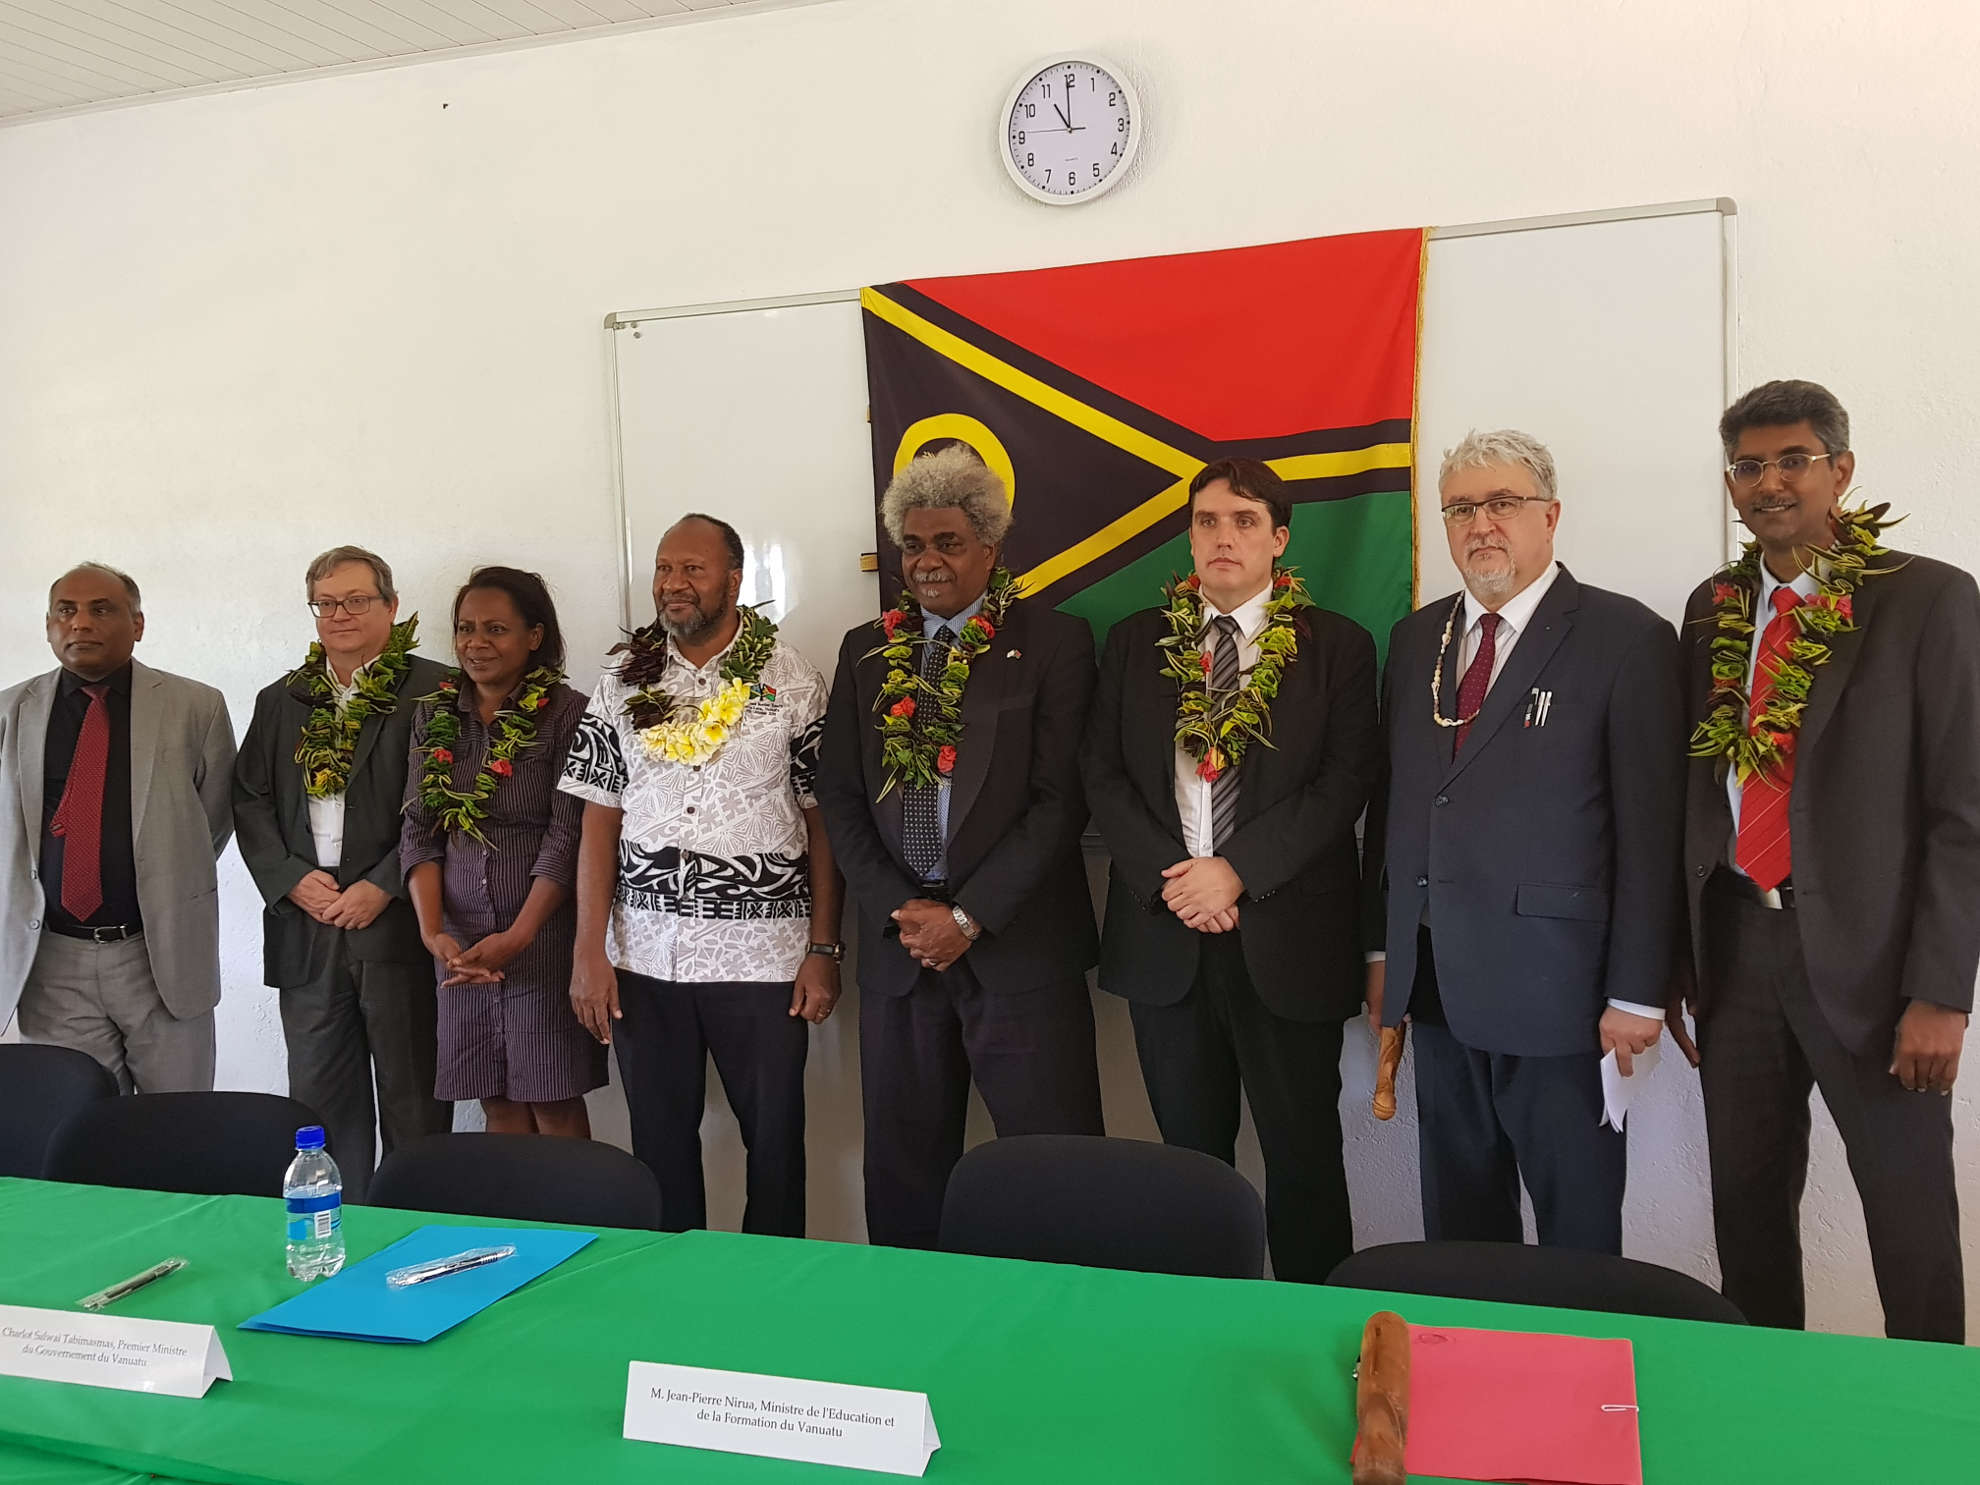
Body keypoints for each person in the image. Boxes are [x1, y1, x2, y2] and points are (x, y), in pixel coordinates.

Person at [1668, 380, 1980, 1342]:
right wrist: (1682, 963)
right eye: (1749, 466)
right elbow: (1691, 791)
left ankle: (1934, 1431)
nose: (1770, 482)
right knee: (1748, 1211)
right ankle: (1770, 1413)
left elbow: (1963, 810)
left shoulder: (1927, 598)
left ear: (1840, 470)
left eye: (1792, 459)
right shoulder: (1712, 607)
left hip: (1878, 966)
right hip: (1737, 947)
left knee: (1909, 1214)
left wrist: (1943, 991)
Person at [1369, 429, 1684, 1255]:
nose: (1483, 524)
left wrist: (1641, 991)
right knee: (1461, 1231)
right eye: (1463, 508)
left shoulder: (1627, 639)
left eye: (1503, 503)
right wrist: (1384, 954)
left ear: (1549, 514)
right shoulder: (1415, 641)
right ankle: (1473, 1374)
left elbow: (1652, 833)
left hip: (1564, 996)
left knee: (1576, 1235)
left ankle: (1577, 1386)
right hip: (1437, 987)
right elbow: (1401, 806)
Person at [1083, 458, 1380, 1282]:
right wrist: (1181, 877)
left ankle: (1318, 1333)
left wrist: (1236, 871)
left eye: (1245, 520)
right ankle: (1201, 1335)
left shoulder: (1340, 647)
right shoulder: (1135, 642)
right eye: (1208, 520)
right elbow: (1100, 774)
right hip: (1163, 935)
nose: (1224, 537)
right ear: (1189, 535)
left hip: (1285, 938)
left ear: (1279, 538)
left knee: (1304, 1160)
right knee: (1189, 1166)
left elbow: (1344, 783)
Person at [817, 444, 1104, 1251]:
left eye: (947, 542)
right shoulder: (864, 650)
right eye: (913, 545)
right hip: (901, 952)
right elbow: (839, 795)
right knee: (905, 1177)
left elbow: (1060, 800)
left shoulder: (1055, 642)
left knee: (1053, 1175)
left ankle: (1055, 1340)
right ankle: (911, 1340)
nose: (928, 561)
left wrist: (968, 916)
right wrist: (902, 907)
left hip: (1018, 948)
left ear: (991, 546)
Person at [560, 514, 839, 1237]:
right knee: (657, 1151)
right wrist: (590, 949)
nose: (673, 583)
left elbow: (824, 824)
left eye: (693, 568)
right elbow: (597, 818)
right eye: (663, 568)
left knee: (774, 1149)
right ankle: (670, 1307)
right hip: (646, 955)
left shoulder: (792, 676)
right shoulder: (623, 677)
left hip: (765, 961)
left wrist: (825, 948)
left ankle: (770, 1304)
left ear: (735, 580)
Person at [234, 545, 453, 1201]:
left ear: (390, 605)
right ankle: (339, 1248)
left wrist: (384, 883)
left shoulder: (437, 690)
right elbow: (248, 798)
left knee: (415, 1110)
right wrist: (288, 877)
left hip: (398, 932)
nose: (341, 614)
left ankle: (417, 1242)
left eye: (357, 599)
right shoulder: (282, 699)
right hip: (308, 931)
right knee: (321, 1118)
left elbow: (446, 802)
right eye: (327, 602)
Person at [0, 563, 235, 1092]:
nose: (80, 623)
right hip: (52, 960)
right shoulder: (12, 711)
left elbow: (211, 823)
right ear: (48, 625)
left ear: (139, 623)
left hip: (159, 953)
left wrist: (161, 885)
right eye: (66, 611)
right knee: (72, 1126)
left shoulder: (196, 707)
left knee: (176, 1128)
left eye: (101, 609)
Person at [400, 568, 599, 1137]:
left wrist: (519, 935)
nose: (475, 643)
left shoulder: (569, 713)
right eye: (465, 629)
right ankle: (510, 1227)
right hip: (459, 941)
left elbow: (568, 835)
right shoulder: (432, 716)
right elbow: (418, 830)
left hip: (542, 939)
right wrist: (434, 932)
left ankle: (572, 1226)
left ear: (534, 637)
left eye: (495, 629)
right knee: (495, 1101)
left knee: (553, 1100)